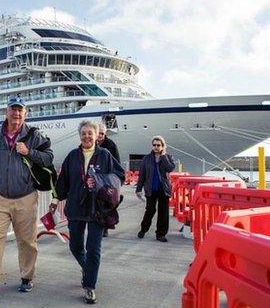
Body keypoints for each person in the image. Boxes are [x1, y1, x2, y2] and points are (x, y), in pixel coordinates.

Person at [0, 97, 54, 298]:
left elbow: (49, 157)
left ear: (25, 114)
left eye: (20, 110)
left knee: (26, 241)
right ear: (6, 112)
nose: (16, 114)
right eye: (13, 110)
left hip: (25, 196)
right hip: (0, 196)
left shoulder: (34, 135)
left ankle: (27, 277)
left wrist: (30, 152)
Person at [51, 120, 124, 304]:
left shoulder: (105, 155)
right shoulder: (72, 156)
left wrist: (100, 180)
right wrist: (54, 201)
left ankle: (90, 286)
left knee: (93, 249)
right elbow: (63, 182)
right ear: (80, 135)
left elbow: (119, 176)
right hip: (76, 206)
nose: (87, 136)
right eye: (83, 133)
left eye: (90, 133)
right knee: (75, 246)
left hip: (97, 208)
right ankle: (88, 268)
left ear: (97, 135)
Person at [135, 135, 176, 242]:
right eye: (154, 145)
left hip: (163, 189)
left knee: (163, 212)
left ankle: (161, 234)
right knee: (150, 210)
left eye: (158, 145)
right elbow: (142, 175)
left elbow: (170, 168)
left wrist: (163, 156)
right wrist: (138, 189)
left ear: (163, 146)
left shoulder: (168, 157)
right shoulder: (147, 159)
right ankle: (143, 229)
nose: (156, 147)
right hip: (151, 189)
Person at [97, 124, 121, 237]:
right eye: (99, 133)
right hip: (95, 179)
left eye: (102, 133)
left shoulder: (110, 145)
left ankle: (105, 227)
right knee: (96, 204)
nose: (100, 135)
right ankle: (98, 225)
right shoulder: (91, 143)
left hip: (107, 180)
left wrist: (115, 181)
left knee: (106, 204)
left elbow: (117, 163)